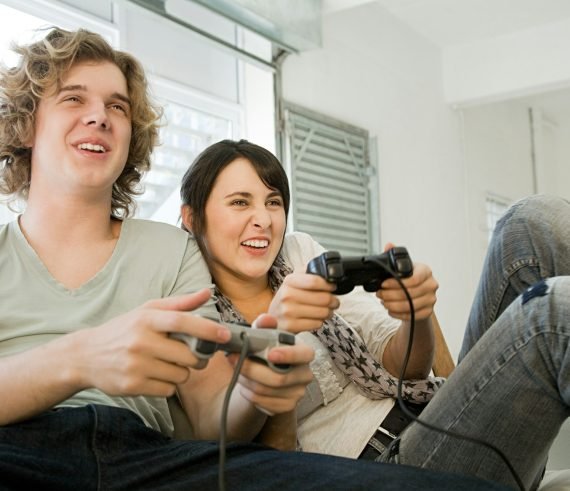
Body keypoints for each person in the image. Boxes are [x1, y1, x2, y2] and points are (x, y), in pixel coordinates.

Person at [0, 27, 505, 491]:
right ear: (25, 125)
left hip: (149, 458)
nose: (99, 116)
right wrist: (78, 358)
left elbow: (211, 422)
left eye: (117, 106)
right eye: (73, 99)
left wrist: (259, 387)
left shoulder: (169, 250)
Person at [179, 139, 570, 491]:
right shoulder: (192, 307)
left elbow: (407, 370)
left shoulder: (297, 255)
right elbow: (246, 455)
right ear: (192, 218)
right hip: (384, 471)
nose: (263, 219)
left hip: (436, 417)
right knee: (551, 312)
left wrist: (415, 316)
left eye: (273, 201)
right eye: (240, 202)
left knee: (532, 220)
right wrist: (277, 337)